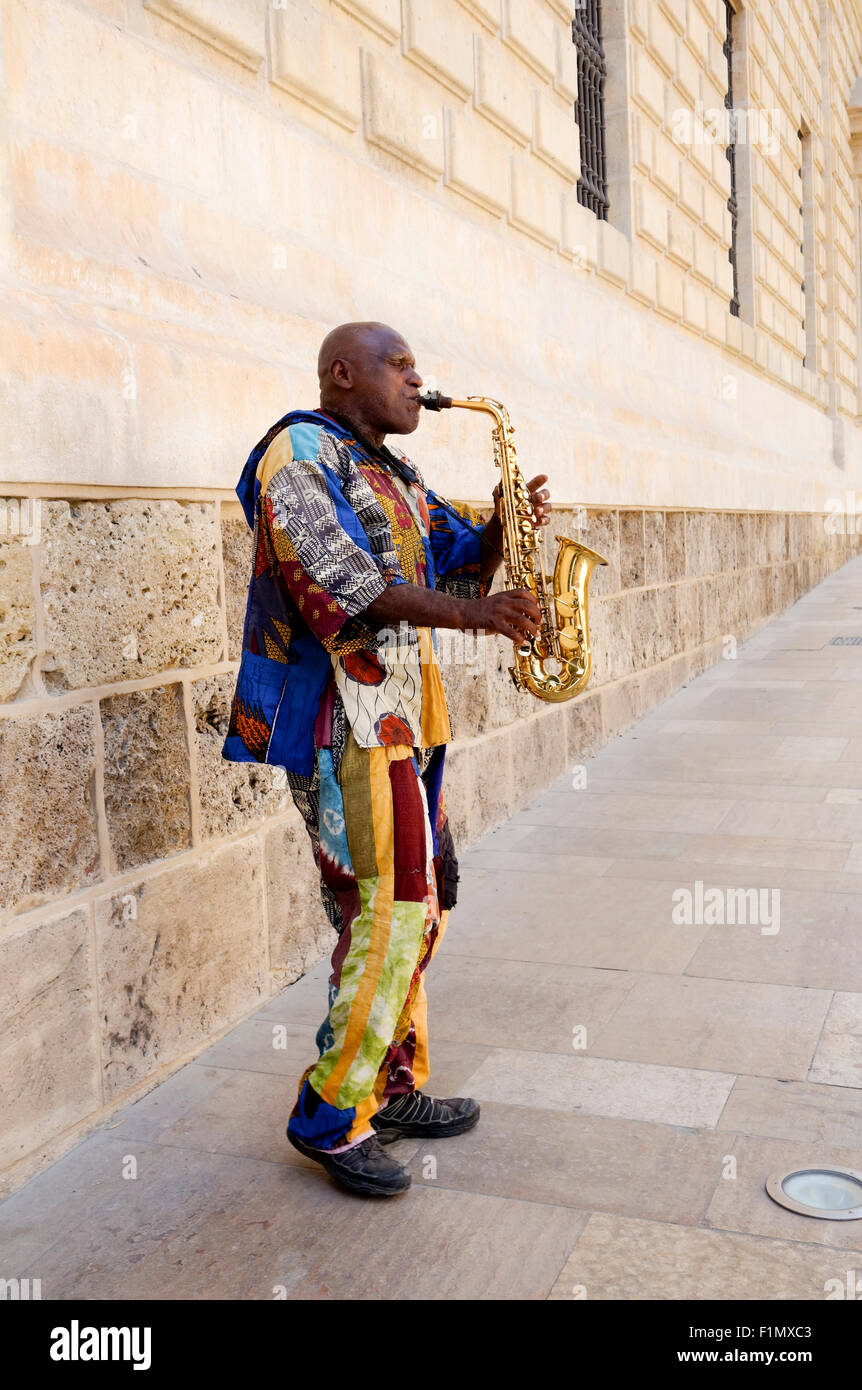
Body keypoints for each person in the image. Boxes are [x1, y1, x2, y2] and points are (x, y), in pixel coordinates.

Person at [223, 322, 549, 1197]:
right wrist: (478, 616)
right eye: (397, 365)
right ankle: (328, 1115)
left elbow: (452, 559)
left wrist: (498, 530)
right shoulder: (296, 453)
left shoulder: (393, 471)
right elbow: (339, 585)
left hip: (407, 718)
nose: (417, 380)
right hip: (345, 722)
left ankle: (391, 1086)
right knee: (391, 907)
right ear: (342, 374)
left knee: (426, 902)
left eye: (414, 366)